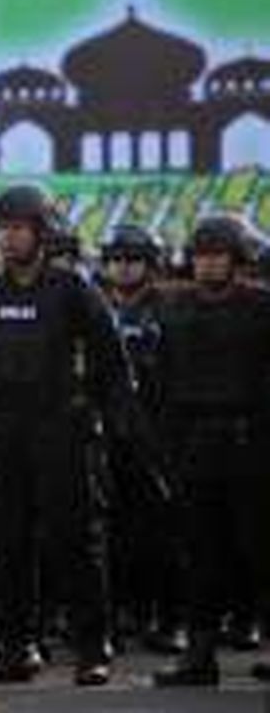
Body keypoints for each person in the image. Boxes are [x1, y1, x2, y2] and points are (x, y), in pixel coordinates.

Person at [0, 185, 126, 687]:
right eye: (3, 228)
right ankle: (17, 648)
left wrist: (92, 414)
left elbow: (112, 362)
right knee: (5, 545)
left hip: (61, 434)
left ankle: (92, 647)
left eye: (18, 227)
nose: (8, 237)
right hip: (3, 440)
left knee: (75, 543)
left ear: (41, 233)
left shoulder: (71, 289)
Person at [153, 216, 270, 687]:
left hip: (253, 444)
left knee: (261, 549)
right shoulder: (175, 310)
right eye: (201, 256)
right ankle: (199, 656)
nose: (207, 265)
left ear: (238, 259)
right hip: (195, 444)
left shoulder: (263, 309)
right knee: (201, 554)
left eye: (218, 255)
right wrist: (166, 446)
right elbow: (162, 383)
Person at [98, 226, 185, 655]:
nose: (122, 267)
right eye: (115, 259)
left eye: (132, 259)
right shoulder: (94, 308)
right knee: (111, 534)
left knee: (165, 535)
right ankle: (119, 616)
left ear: (151, 264)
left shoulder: (170, 308)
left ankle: (171, 620)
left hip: (159, 434)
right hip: (107, 435)